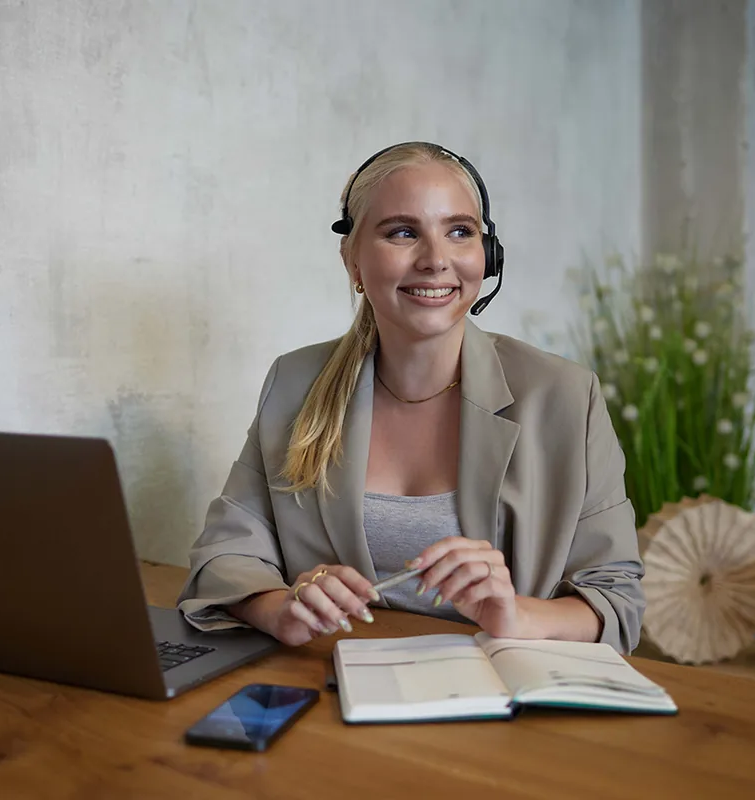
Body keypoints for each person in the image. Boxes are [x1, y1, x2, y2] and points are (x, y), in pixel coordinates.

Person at [176, 142, 644, 652]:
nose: (436, 260)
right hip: (333, 684)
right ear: (352, 259)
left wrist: (518, 616)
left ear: (487, 257)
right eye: (403, 232)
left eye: (460, 232)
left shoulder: (566, 397)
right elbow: (225, 554)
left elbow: (617, 601)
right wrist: (279, 608)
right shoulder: (294, 383)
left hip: (503, 697)